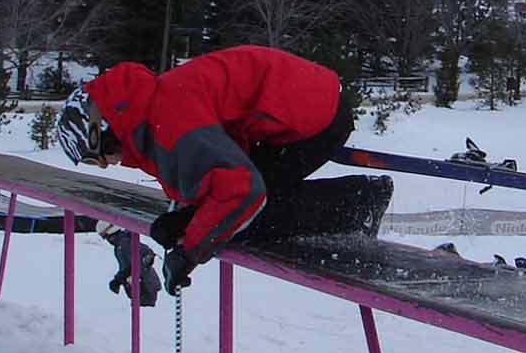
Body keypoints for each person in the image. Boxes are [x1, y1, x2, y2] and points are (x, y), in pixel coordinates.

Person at [57, 46, 390, 295]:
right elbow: (206, 170)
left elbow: (242, 192)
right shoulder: (151, 110)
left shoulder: (169, 123)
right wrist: (187, 219)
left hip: (315, 116)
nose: (109, 164)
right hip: (296, 105)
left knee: (249, 216)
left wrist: (189, 253)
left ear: (102, 130)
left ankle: (357, 204)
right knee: (231, 211)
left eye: (98, 156)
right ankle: (354, 201)